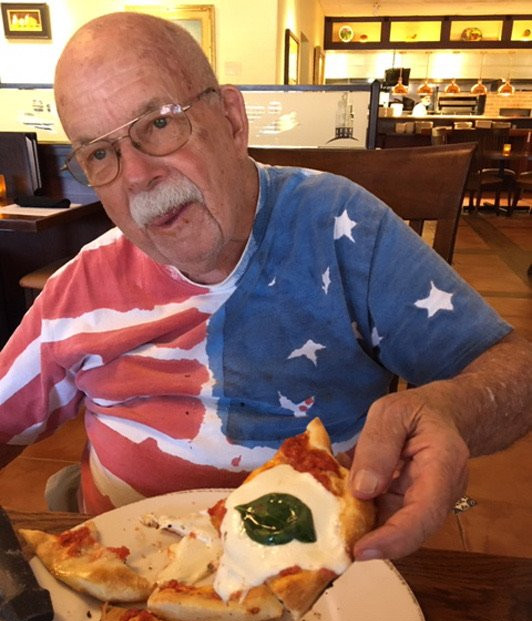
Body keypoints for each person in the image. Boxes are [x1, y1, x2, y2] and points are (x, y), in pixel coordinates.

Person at [0, 12, 530, 561]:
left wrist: (453, 409)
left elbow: (516, 372)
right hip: (124, 585)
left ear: (232, 120)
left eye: (158, 124)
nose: (136, 176)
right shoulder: (82, 286)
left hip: (320, 584)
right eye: (99, 153)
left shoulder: (340, 227)